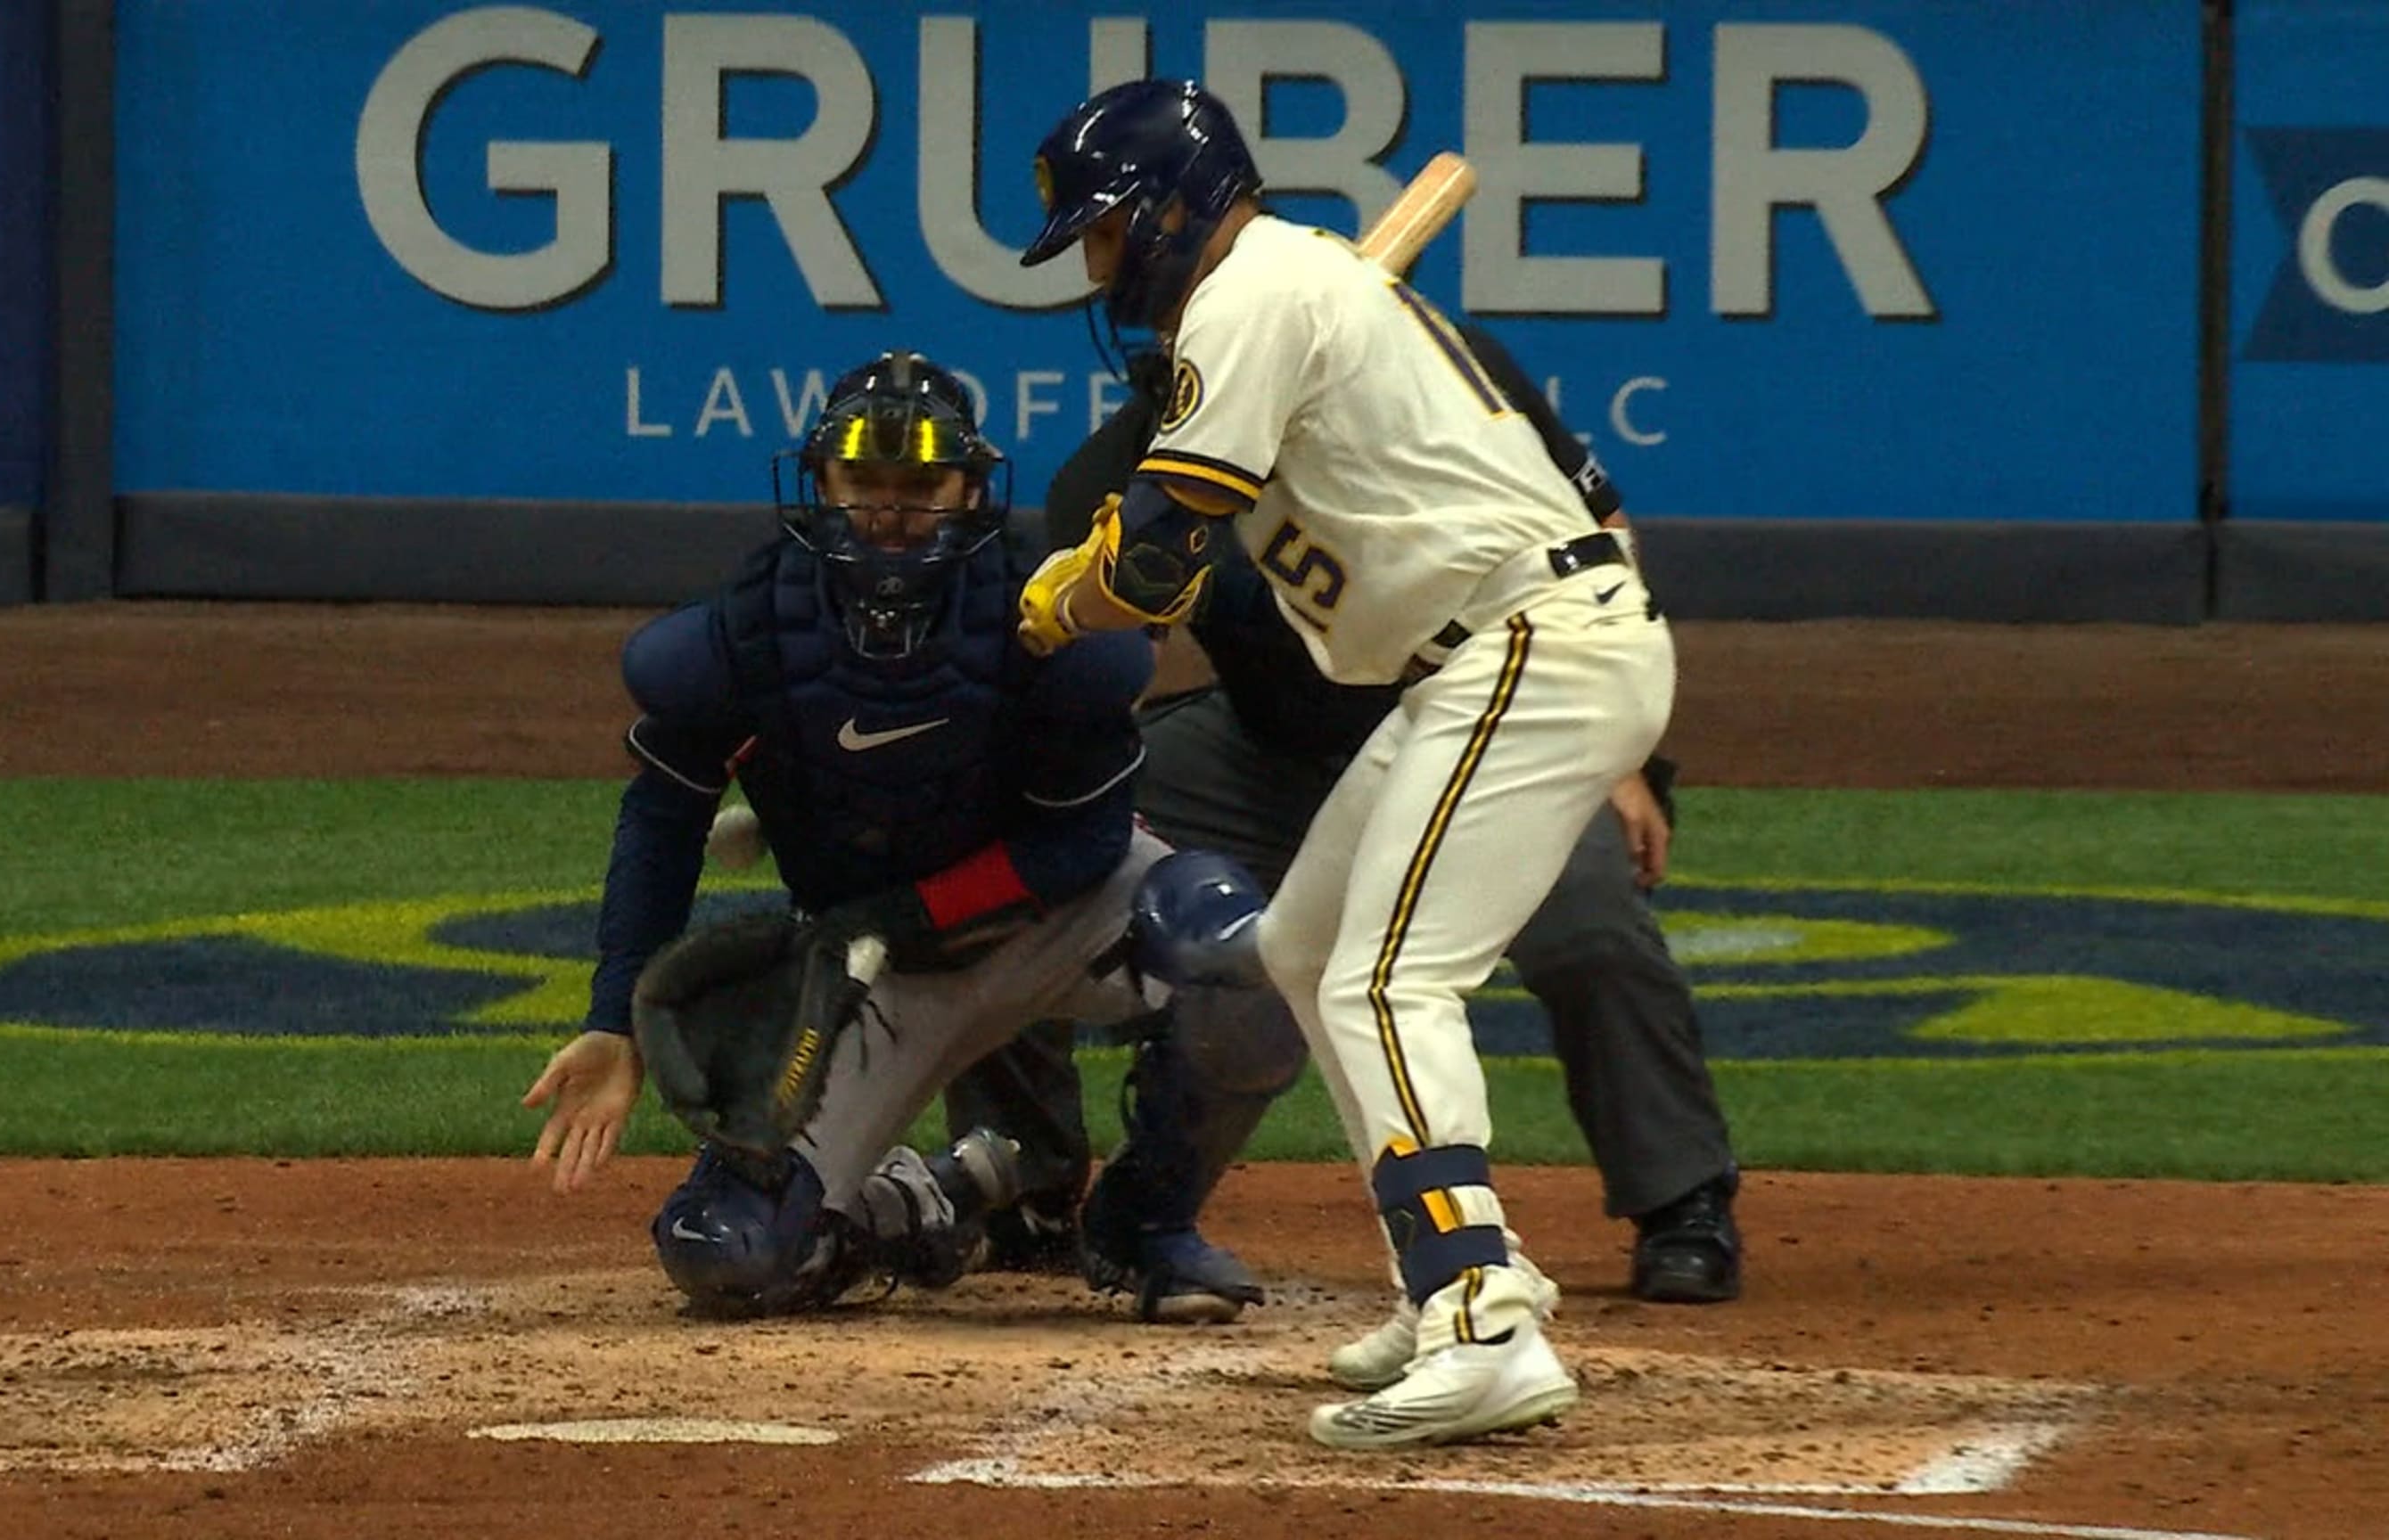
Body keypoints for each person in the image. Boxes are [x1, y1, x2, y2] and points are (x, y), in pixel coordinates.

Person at [1011, 79, 1678, 1449]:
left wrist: (1067, 597)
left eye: (1101, 230)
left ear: (1169, 210)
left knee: (1388, 977)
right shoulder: (1285, 294)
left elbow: (1150, 563)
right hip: (1483, 659)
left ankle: (1482, 1315)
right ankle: (1448, 1266)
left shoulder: (1251, 297)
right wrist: (1114, 554)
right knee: (1307, 950)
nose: (1093, 263)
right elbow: (1162, 526)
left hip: (1533, 642)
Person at [947, 349, 1744, 1315]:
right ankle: (1019, 1176)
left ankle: (1681, 1203)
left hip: (1488, 717)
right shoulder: (1118, 473)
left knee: (1588, 926)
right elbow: (1108, 669)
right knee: (1003, 836)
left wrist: (1617, 760)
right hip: (1259, 748)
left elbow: (1594, 534)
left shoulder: (1437, 376)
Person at [521, 349, 1298, 1323]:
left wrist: (902, 910)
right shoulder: (741, 639)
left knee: (1247, 955)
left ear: (970, 488)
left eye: (921, 483)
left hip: (1054, 919)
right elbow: (663, 819)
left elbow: (1083, 846)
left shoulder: (1050, 626)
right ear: (822, 486)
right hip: (879, 970)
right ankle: (935, 1198)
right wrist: (612, 1019)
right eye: (864, 482)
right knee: (726, 1254)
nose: (891, 508)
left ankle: (1146, 1221)